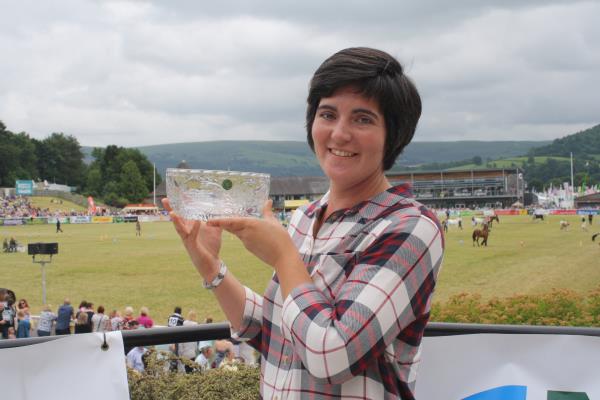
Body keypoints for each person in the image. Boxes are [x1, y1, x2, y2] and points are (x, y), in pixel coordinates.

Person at [164, 47, 444, 399]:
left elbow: (332, 355)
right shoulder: (304, 218)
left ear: (394, 134)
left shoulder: (410, 227)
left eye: (362, 119)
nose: (339, 134)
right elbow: (273, 330)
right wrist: (211, 268)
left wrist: (283, 256)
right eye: (328, 114)